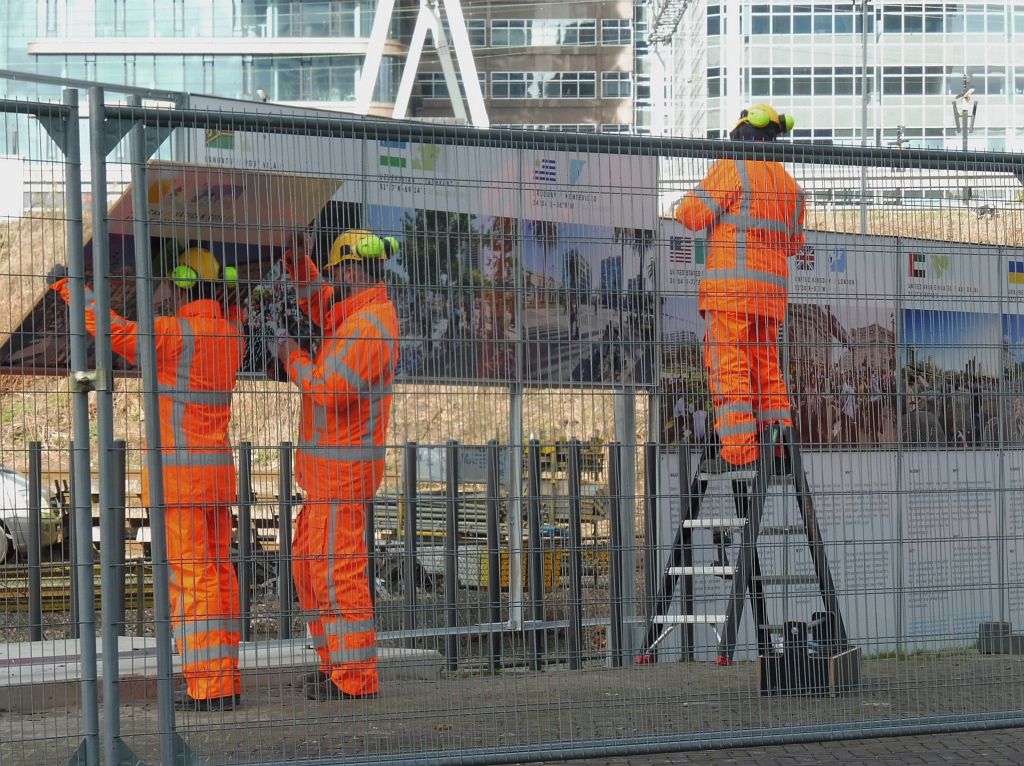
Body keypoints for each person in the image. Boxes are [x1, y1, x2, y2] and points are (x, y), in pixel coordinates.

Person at [52, 247, 245, 711]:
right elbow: (231, 313)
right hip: (217, 478)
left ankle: (210, 686)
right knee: (219, 575)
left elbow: (114, 330)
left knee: (194, 580)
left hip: (181, 481)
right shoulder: (230, 333)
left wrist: (69, 287)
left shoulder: (173, 334)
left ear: (181, 286)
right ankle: (224, 675)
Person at [274, 229, 399, 701]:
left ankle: (355, 679)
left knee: (338, 578)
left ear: (351, 270)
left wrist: (290, 356)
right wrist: (299, 262)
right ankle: (337, 668)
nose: (330, 282)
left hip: (341, 482)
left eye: (333, 272)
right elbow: (319, 299)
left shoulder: (367, 328)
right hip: (327, 481)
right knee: (312, 572)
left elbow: (327, 390)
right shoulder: (353, 315)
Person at [675, 104, 806, 472]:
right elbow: (794, 243)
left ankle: (740, 451)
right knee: (765, 365)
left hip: (731, 291)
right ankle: (778, 444)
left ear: (741, 135)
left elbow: (690, 214)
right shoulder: (790, 187)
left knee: (728, 363)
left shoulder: (734, 165)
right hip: (770, 298)